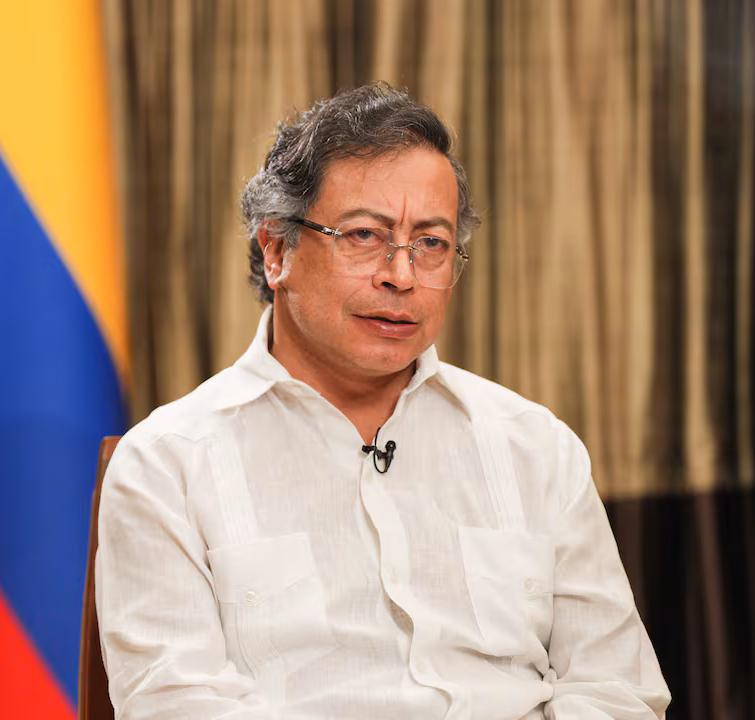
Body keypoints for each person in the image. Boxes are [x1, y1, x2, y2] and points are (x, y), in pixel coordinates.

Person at [96, 82, 670, 719]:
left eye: (431, 244)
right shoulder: (167, 465)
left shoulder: (536, 447)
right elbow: (179, 705)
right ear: (276, 248)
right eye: (364, 235)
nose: (401, 275)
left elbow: (617, 690)